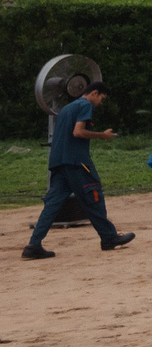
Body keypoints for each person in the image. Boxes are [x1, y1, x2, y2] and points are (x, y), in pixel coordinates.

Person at [25, 80, 137, 259]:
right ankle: (109, 238)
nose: (100, 102)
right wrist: (102, 136)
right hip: (77, 162)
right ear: (94, 93)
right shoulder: (86, 106)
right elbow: (78, 132)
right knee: (93, 196)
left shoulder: (66, 109)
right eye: (102, 98)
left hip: (58, 162)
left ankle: (33, 245)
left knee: (52, 205)